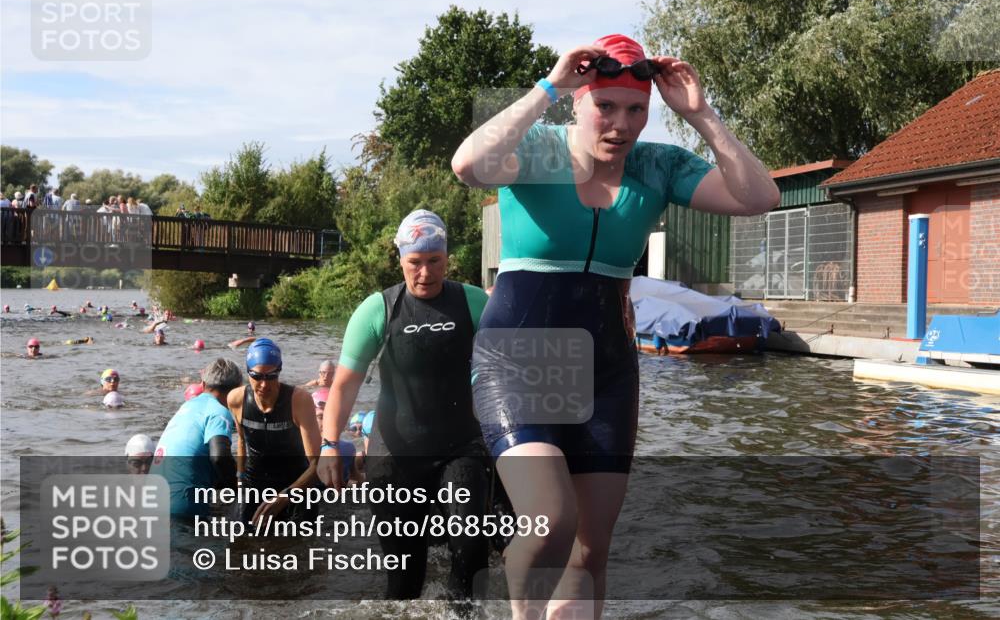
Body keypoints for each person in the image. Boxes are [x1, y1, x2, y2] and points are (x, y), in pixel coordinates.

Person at [451, 34, 780, 618]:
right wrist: (548, 86)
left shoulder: (659, 166)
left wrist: (700, 114)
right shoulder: (540, 150)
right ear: (579, 101)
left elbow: (759, 197)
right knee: (550, 519)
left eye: (636, 110)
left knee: (590, 549)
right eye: (605, 105)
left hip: (606, 368)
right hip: (520, 361)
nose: (620, 124)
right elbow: (467, 165)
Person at [318, 209, 491, 602]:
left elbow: (508, 370)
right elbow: (344, 386)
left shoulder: (474, 303)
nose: (425, 273)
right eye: (415, 262)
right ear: (400, 260)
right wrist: (329, 444)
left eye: (435, 261)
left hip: (460, 448)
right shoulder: (378, 310)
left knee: (471, 551)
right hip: (395, 455)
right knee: (404, 577)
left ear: (447, 258)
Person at [226, 338, 320, 525]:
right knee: (239, 538)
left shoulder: (299, 401)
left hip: (295, 483)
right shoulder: (236, 399)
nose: (264, 385)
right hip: (255, 480)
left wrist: (285, 497)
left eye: (271, 376)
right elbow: (242, 441)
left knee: (298, 545)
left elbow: (317, 465)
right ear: (247, 372)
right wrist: (239, 480)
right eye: (257, 376)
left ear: (279, 371)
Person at [152, 359, 243, 517]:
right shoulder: (219, 411)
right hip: (181, 505)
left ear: (202, 384)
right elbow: (220, 457)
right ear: (235, 391)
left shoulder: (186, 407)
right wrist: (239, 490)